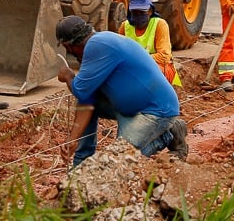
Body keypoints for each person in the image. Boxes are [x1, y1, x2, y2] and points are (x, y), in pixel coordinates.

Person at [55, 15, 188, 167]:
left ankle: (168, 135)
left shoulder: (96, 46)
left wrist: (68, 76)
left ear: (68, 46)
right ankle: (81, 163)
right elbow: (86, 98)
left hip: (156, 111)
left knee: (119, 161)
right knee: (91, 96)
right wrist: (73, 139)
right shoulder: (100, 42)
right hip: (135, 108)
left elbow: (79, 90)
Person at [118, 0, 182, 87]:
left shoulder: (160, 24)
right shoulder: (125, 26)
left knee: (147, 74)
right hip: (134, 67)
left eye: (142, 12)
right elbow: (118, 53)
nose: (138, 16)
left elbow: (164, 56)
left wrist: (137, 60)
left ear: (150, 11)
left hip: (160, 68)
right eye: (135, 12)